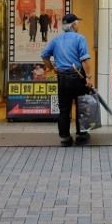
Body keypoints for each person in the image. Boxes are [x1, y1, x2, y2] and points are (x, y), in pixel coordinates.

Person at [41, 13, 94, 147]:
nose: (78, 25)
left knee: (64, 109)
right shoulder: (80, 38)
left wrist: (52, 69)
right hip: (77, 77)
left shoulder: (56, 40)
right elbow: (85, 60)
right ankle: (81, 135)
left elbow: (44, 56)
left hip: (62, 77)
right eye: (77, 23)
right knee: (81, 107)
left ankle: (65, 137)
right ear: (74, 25)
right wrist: (88, 77)